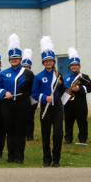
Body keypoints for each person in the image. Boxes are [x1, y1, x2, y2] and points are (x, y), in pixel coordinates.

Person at [0, 34, 34, 164]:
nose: (14, 60)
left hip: (22, 105)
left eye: (16, 58)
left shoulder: (28, 73)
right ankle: (11, 155)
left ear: (20, 59)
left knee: (20, 131)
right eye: (12, 58)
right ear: (9, 59)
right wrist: (4, 92)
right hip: (7, 105)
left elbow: (32, 90)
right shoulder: (4, 72)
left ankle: (19, 156)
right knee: (10, 131)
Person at [32, 37, 65, 167]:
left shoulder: (59, 75)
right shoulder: (38, 76)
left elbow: (63, 90)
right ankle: (46, 159)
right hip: (45, 107)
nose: (48, 63)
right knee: (45, 135)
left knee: (58, 134)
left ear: (53, 61)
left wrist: (57, 92)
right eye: (46, 61)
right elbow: (34, 93)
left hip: (57, 108)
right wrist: (45, 98)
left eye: (50, 61)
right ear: (43, 62)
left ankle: (56, 159)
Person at [62, 47, 91, 145]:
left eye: (76, 65)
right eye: (72, 65)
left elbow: (90, 87)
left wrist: (79, 89)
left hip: (80, 103)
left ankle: (83, 138)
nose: (74, 67)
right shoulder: (66, 77)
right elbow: (62, 89)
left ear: (79, 66)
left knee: (82, 121)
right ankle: (68, 138)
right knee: (68, 121)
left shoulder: (84, 77)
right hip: (68, 103)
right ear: (70, 66)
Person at [21, 49, 36, 141]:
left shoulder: (32, 76)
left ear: (30, 67)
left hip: (31, 98)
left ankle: (30, 135)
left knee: (30, 117)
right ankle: (22, 133)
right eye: (24, 67)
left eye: (27, 67)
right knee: (21, 117)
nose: (26, 68)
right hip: (21, 99)